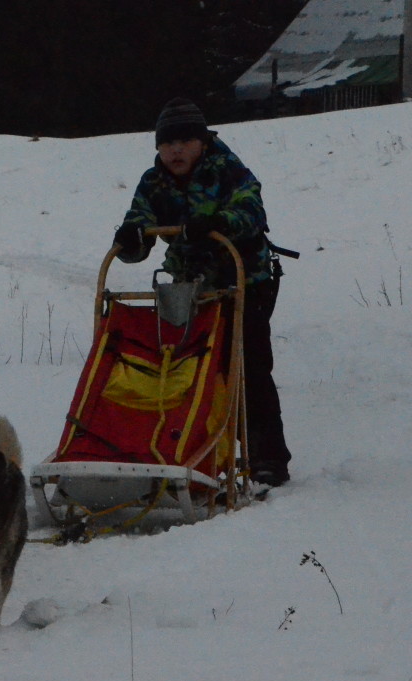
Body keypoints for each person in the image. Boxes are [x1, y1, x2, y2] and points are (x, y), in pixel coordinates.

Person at [113, 97, 292, 487]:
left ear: (203, 141)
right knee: (184, 370)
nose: (175, 150)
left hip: (243, 282)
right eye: (167, 143)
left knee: (246, 369)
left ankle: (267, 457)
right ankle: (188, 449)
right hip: (188, 288)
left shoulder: (228, 169)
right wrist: (130, 238)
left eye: (184, 141)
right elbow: (140, 223)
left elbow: (251, 211)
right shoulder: (154, 181)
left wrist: (217, 222)